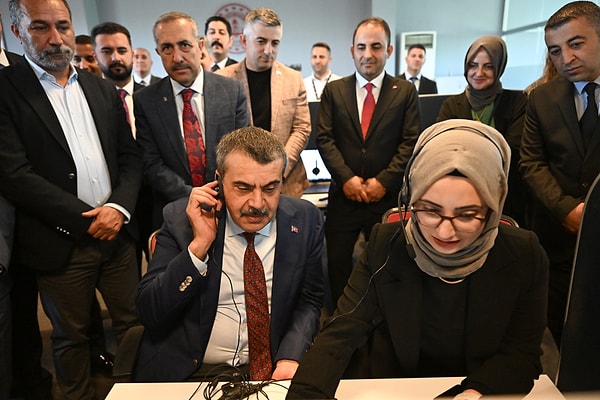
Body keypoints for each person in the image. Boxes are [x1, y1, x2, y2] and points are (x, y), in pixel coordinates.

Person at [287, 119, 549, 400]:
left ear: (494, 208)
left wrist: (473, 393)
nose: (445, 232)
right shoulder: (385, 245)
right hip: (396, 387)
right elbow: (341, 332)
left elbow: (522, 353)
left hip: (480, 387)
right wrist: (306, 394)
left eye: (467, 215)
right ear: (408, 199)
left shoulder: (524, 254)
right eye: (430, 210)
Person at [0, 0, 143, 399]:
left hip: (116, 237)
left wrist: (117, 209)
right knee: (71, 338)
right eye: (40, 27)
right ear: (17, 32)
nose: (55, 38)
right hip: (57, 242)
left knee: (134, 327)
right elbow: (13, 174)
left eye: (62, 26)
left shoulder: (100, 87)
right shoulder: (6, 90)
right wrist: (87, 218)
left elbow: (130, 158)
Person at [134, 126, 324, 382]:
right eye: (243, 188)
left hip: (272, 372)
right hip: (193, 372)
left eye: (270, 188)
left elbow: (309, 301)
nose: (257, 204)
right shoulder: (181, 220)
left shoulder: (305, 219)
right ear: (219, 180)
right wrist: (199, 246)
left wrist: (291, 355)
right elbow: (150, 313)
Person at [318, 17, 420, 305]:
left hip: (386, 198)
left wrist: (383, 182)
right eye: (361, 47)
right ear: (352, 50)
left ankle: (382, 317)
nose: (368, 54)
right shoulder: (334, 91)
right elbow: (324, 139)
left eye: (376, 47)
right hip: (343, 197)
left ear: (388, 51)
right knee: (337, 265)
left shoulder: (405, 92)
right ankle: (341, 318)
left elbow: (410, 142)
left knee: (388, 265)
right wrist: (347, 179)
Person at [520, 0, 600, 345]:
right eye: (555, 51)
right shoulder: (541, 99)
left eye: (576, 44)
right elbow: (532, 163)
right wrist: (566, 209)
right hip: (557, 236)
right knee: (561, 326)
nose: (565, 58)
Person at [135, 11, 249, 234]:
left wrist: (217, 195)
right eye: (167, 48)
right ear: (158, 52)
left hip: (228, 210)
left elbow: (242, 152)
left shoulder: (232, 91)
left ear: (200, 45)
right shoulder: (145, 101)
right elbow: (151, 163)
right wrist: (192, 195)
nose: (177, 57)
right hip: (173, 214)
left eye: (185, 45)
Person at [218, 8, 311, 198]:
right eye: (261, 41)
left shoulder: (293, 79)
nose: (269, 50)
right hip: (240, 184)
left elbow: (302, 128)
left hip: (287, 182)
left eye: (274, 43)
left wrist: (279, 167)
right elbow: (219, 132)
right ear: (244, 40)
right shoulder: (222, 79)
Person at [437, 36, 529, 228]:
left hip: (505, 197)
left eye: (488, 66)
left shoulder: (517, 102)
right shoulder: (452, 105)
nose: (479, 73)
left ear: (499, 67)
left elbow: (513, 150)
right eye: (473, 65)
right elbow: (443, 151)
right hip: (458, 195)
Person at [91, 21, 142, 136]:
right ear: (95, 57)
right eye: (107, 52)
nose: (116, 58)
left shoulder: (150, 97)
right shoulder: (89, 101)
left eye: (122, 51)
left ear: (132, 55)